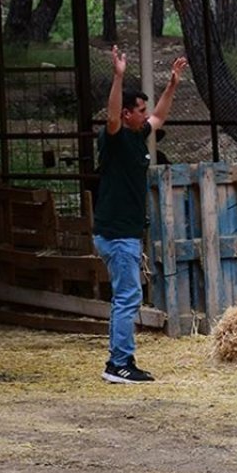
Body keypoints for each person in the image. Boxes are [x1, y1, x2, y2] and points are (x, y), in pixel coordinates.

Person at [94, 46, 188, 383]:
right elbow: (111, 116)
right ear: (127, 114)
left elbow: (160, 117)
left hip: (126, 231)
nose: (146, 114)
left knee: (127, 295)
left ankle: (122, 360)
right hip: (117, 232)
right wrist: (118, 77)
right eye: (140, 109)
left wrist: (172, 85)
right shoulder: (116, 137)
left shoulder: (138, 136)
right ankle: (118, 363)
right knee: (127, 296)